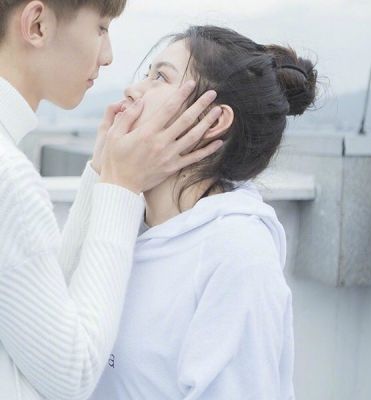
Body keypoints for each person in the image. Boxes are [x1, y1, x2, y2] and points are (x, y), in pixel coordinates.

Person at [0, 1, 223, 399]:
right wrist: (121, 186)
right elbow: (72, 375)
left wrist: (102, 174)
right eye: (101, 28)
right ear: (37, 25)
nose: (108, 56)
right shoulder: (10, 178)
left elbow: (43, 310)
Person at [89, 25, 318, 399]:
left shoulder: (237, 252)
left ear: (213, 120)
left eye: (160, 77)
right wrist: (102, 178)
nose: (132, 90)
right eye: (147, 74)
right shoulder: (124, 222)